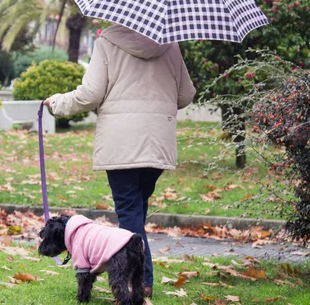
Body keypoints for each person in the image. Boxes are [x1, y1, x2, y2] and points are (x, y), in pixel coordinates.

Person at [44, 23, 196, 298]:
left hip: (121, 143)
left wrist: (56, 103)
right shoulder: (170, 44)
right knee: (136, 211)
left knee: (129, 215)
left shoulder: (107, 41)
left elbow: (90, 94)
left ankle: (139, 283)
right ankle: (141, 278)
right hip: (157, 143)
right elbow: (186, 94)